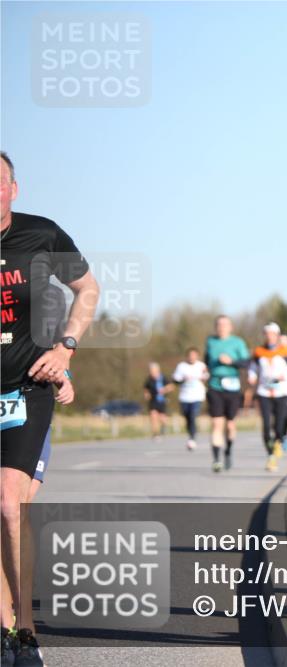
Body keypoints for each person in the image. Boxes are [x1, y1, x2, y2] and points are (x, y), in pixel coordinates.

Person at [1, 150, 100, 665]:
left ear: (14, 189)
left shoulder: (41, 235)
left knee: (8, 503)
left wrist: (65, 350)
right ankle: (5, 627)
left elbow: (87, 289)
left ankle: (26, 630)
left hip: (27, 387)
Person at [204, 315, 250, 472]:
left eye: (225, 324)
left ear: (231, 327)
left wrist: (231, 362)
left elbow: (246, 362)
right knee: (216, 423)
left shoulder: (238, 342)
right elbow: (206, 360)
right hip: (215, 385)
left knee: (230, 425)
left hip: (232, 386)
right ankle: (216, 460)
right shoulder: (210, 341)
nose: (221, 327)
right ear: (215, 327)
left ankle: (228, 451)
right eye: (219, 324)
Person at [246, 323, 287, 472]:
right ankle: (271, 455)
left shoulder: (285, 351)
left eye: (272, 334)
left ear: (277, 336)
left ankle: (279, 442)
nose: (270, 337)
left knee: (279, 426)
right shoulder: (258, 351)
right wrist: (252, 376)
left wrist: (285, 377)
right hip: (264, 392)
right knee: (266, 427)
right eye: (267, 334)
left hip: (281, 392)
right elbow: (253, 367)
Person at [172, 347, 209, 451]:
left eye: (194, 355)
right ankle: (191, 433)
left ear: (197, 356)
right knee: (187, 417)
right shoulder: (181, 366)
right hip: (184, 396)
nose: (192, 357)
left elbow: (207, 376)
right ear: (187, 356)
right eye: (190, 355)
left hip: (197, 395)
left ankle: (192, 438)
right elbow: (175, 380)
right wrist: (183, 379)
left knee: (193, 415)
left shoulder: (201, 366)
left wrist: (203, 378)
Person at [142, 362, 173, 441]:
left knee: (162, 418)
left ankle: (164, 427)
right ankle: (155, 434)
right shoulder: (149, 379)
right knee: (153, 416)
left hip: (162, 401)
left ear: (157, 370)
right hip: (153, 401)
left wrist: (164, 390)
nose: (152, 373)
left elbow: (171, 387)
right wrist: (146, 394)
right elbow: (146, 388)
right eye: (151, 371)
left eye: (153, 371)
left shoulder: (163, 378)